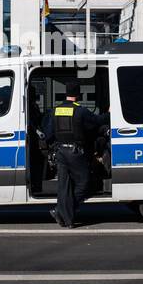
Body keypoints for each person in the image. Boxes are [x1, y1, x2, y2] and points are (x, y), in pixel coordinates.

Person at [42, 80, 107, 228]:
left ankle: (65, 217)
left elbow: (48, 134)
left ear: (66, 94)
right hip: (75, 152)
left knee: (64, 186)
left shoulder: (55, 110)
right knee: (85, 183)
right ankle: (61, 211)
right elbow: (97, 122)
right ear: (78, 95)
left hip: (60, 152)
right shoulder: (80, 111)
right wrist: (109, 114)